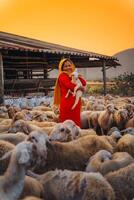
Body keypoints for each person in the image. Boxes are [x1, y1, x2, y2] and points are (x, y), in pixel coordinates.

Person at [53, 58, 86, 127]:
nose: (68, 67)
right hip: (67, 103)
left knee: (75, 122)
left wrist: (77, 76)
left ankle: (76, 136)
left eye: (69, 65)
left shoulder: (73, 75)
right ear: (62, 68)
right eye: (65, 66)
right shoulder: (62, 76)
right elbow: (70, 86)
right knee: (66, 123)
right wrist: (81, 88)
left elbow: (84, 82)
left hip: (76, 102)